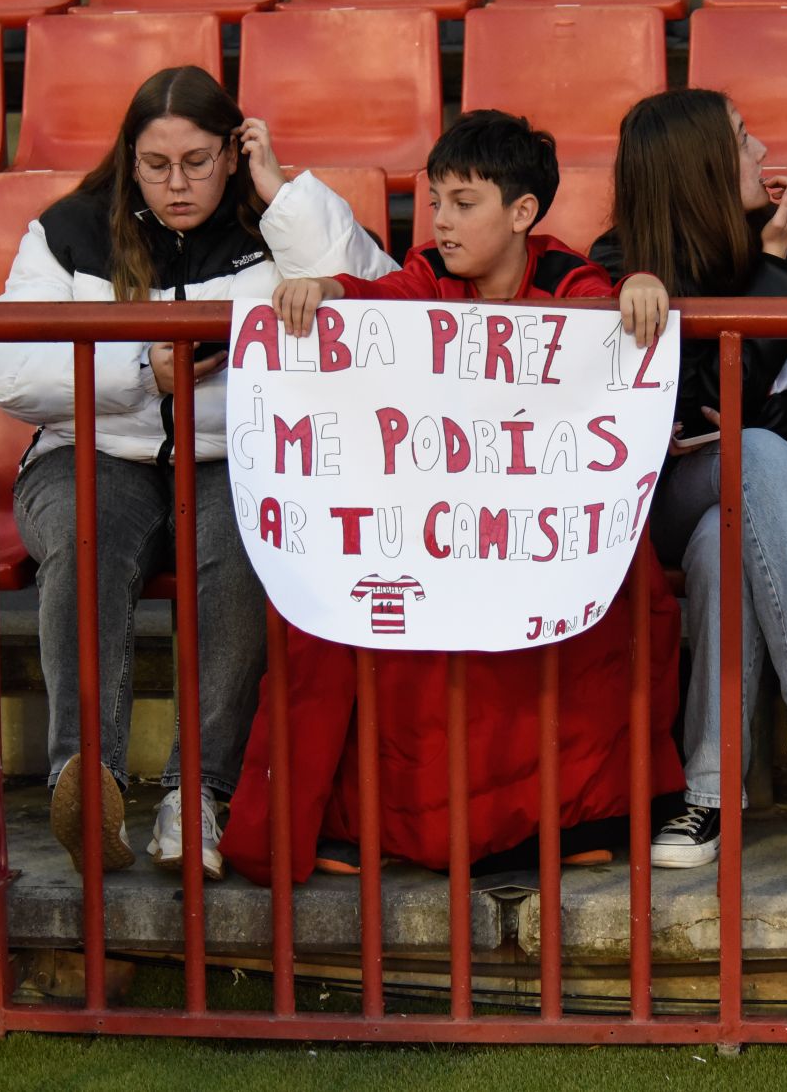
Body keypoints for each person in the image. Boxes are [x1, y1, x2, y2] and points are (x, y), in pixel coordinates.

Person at [229, 110, 686, 882]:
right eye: (434, 199)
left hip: (527, 531)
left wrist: (638, 288)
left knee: (622, 592)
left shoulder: (573, 284)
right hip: (439, 528)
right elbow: (373, 299)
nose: (440, 220)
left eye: (463, 202)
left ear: (523, 214)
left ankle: (572, 817)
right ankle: (388, 827)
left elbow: (613, 311)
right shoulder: (424, 278)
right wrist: (324, 292)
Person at [0, 65, 396, 879]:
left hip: (235, 455)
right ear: (129, 159)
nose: (177, 183)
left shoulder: (274, 224)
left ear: (234, 149)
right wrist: (144, 370)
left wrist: (281, 194)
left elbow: (378, 302)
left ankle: (198, 795)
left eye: (200, 161)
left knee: (251, 544)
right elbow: (14, 372)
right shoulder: (68, 229)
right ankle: (87, 782)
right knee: (87, 532)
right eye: (155, 164)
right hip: (91, 451)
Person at [591, 88, 787, 869]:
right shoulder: (624, 265)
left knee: (733, 529)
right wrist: (774, 271)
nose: (761, 153)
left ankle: (708, 795)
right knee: (743, 460)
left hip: (773, 495)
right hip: (662, 501)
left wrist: (763, 430)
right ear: (699, 168)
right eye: (743, 139)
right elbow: (702, 405)